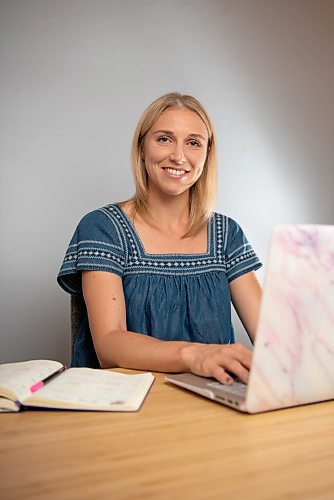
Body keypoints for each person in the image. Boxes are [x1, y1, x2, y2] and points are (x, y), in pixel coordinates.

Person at [57, 92, 262, 385]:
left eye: (193, 143)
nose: (178, 156)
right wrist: (194, 355)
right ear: (142, 148)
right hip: (126, 409)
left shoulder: (227, 234)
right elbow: (109, 346)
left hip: (213, 407)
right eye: (164, 139)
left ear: (206, 154)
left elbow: (274, 343)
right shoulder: (102, 227)